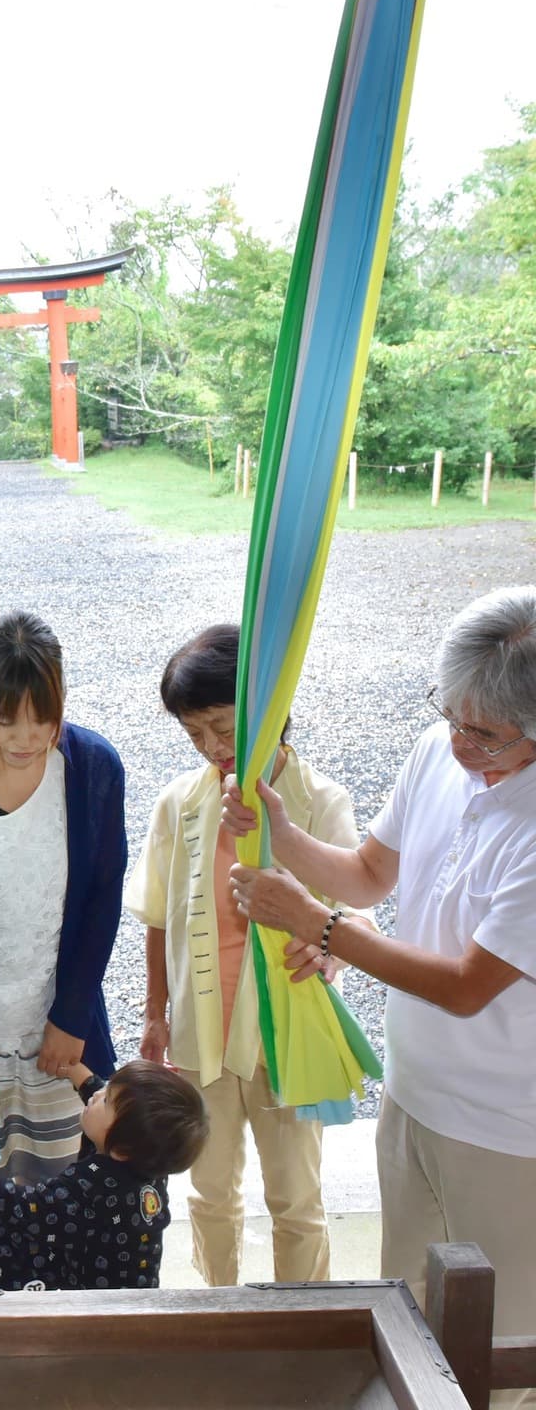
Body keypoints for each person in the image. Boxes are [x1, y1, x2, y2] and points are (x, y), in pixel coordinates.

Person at [224, 587, 536, 1408]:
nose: (462, 743)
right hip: (414, 1096)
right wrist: (283, 834)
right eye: (453, 716)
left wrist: (322, 929)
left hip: (508, 1133)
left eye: (488, 735)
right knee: (410, 1327)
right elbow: (370, 872)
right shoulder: (440, 748)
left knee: (498, 1358)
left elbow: (468, 987)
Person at [126, 624, 358, 1286]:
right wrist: (154, 1010)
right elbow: (155, 914)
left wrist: (330, 951)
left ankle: (301, 1323)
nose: (212, 747)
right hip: (204, 1032)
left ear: (268, 710)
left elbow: (354, 910)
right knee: (208, 1194)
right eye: (195, 734)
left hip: (288, 1035)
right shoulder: (180, 801)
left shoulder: (319, 801)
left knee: (295, 1199)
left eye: (223, 728)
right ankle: (218, 1311)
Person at [0, 611, 127, 1286]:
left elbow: (102, 900)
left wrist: (72, 1018)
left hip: (58, 1028)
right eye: (7, 721)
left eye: (42, 717)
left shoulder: (93, 767)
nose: (26, 738)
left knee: (68, 1195)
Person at [0, 1058, 208, 1291]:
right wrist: (84, 1079)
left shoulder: (95, 1183)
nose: (97, 1095)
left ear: (121, 1148)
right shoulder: (150, 1163)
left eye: (107, 1100)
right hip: (137, 1299)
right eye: (106, 1087)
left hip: (98, 1311)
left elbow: (29, 1209)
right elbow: (114, 1119)